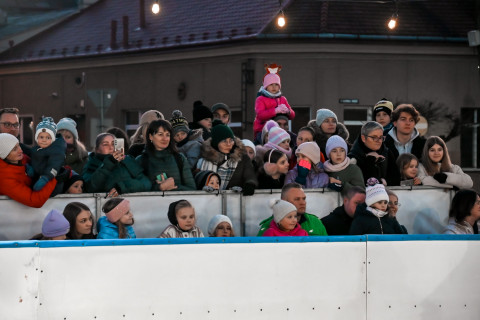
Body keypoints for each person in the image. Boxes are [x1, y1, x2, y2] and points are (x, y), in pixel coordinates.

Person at [197, 124, 257, 195]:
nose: (229, 144)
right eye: (224, 141)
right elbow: (197, 180)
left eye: (231, 140)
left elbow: (250, 175)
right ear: (216, 143)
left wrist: (250, 184)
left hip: (235, 201)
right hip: (209, 201)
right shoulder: (204, 159)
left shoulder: (242, 158)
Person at [136, 120, 196, 191]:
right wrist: (160, 187)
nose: (165, 139)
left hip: (179, 201)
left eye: (167, 135)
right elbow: (136, 189)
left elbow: (192, 189)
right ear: (150, 136)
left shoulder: (179, 158)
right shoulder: (141, 161)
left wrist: (173, 187)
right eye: (160, 134)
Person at [82, 133, 151, 194]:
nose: (111, 147)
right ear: (97, 150)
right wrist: (109, 163)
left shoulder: (128, 160)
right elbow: (90, 187)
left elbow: (146, 183)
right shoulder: (91, 163)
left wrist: (122, 187)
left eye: (113, 144)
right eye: (105, 144)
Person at [0, 133, 56, 208]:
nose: (20, 150)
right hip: (16, 214)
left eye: (18, 145)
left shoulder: (21, 159)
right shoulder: (4, 179)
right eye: (14, 149)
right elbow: (34, 200)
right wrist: (53, 176)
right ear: (4, 154)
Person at [257, 183, 328, 236]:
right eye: (297, 199)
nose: (303, 203)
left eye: (304, 199)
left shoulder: (315, 222)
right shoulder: (267, 226)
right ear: (284, 201)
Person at [348, 121, 399, 186]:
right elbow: (359, 183)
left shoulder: (387, 153)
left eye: (380, 137)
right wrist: (370, 160)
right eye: (374, 137)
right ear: (363, 138)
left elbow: (396, 180)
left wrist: (386, 182)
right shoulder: (353, 158)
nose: (378, 141)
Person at [253, 66, 295, 141]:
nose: (274, 87)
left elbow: (292, 115)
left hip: (280, 130)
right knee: (262, 142)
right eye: (271, 84)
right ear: (266, 86)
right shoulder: (260, 99)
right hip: (262, 130)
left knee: (293, 138)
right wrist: (275, 111)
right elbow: (260, 115)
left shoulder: (282, 99)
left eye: (276, 84)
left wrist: (288, 111)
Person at [30, 117, 66, 194]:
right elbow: (35, 160)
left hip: (52, 182)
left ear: (52, 139)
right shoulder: (37, 149)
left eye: (48, 137)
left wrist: (45, 178)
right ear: (37, 138)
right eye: (41, 137)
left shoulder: (56, 151)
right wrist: (31, 169)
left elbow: (54, 166)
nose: (44, 140)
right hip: (39, 180)